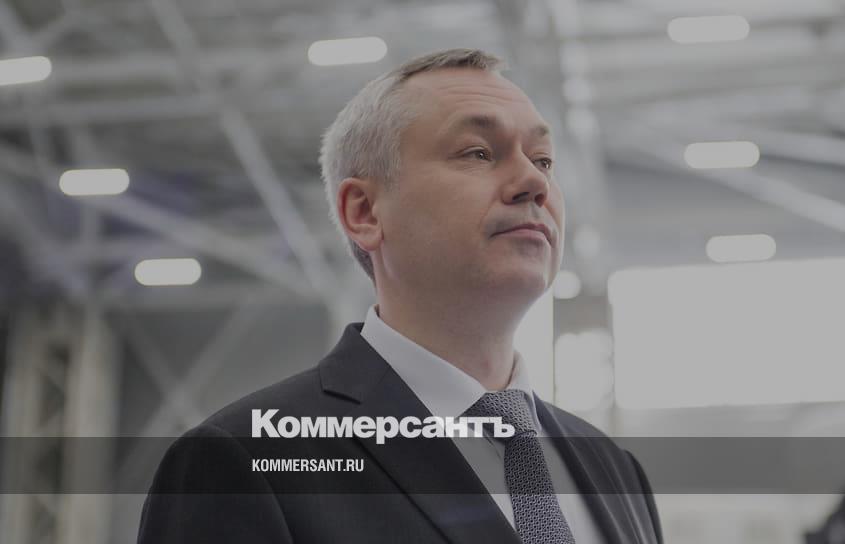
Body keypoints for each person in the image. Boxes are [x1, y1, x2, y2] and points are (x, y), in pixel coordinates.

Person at [138, 48, 662, 544]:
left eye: (544, 160)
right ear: (364, 212)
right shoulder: (246, 460)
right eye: (479, 152)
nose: (534, 182)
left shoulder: (615, 471)